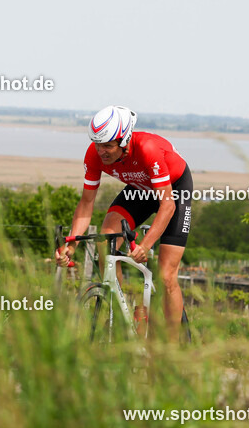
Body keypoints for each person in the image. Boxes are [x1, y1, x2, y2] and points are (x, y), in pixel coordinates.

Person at [55, 105, 192, 340]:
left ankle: (171, 347)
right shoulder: (94, 154)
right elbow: (87, 202)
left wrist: (145, 246)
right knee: (104, 240)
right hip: (140, 190)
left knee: (166, 275)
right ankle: (118, 317)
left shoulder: (147, 149)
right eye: (97, 144)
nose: (101, 151)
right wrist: (72, 245)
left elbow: (167, 206)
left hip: (174, 191)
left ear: (125, 141)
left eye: (108, 146)